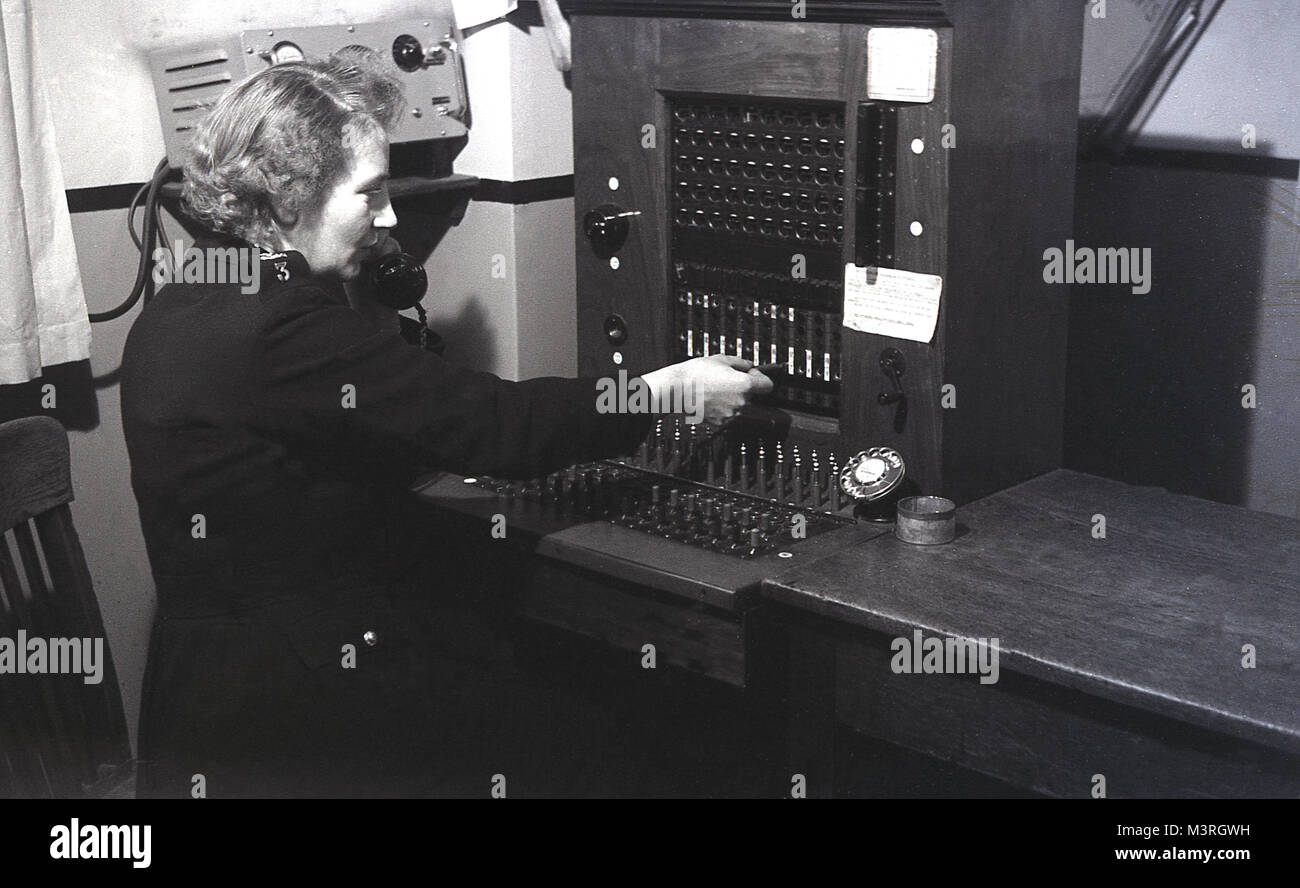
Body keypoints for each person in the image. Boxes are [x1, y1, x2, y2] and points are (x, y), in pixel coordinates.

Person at [119, 48, 772, 797]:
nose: (390, 214)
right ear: (289, 198)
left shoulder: (183, 300)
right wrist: (663, 391)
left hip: (201, 699)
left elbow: (314, 449)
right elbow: (499, 429)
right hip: (302, 714)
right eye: (369, 194)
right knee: (610, 739)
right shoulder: (284, 328)